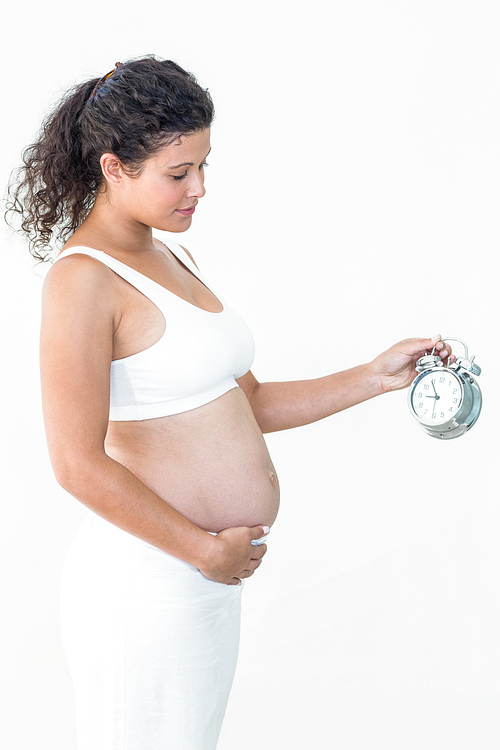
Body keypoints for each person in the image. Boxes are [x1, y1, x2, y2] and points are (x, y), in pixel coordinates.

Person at [6, 56, 453, 750]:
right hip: (146, 581)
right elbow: (75, 463)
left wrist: (375, 376)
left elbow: (252, 402)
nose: (200, 189)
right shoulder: (82, 282)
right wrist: (200, 550)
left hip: (203, 581)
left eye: (204, 166)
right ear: (114, 167)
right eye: (178, 174)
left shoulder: (170, 259)